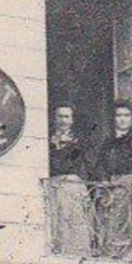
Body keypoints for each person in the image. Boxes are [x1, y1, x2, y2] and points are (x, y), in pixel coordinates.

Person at [86, 100, 132, 260]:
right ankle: (108, 253)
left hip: (129, 182)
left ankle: (126, 254)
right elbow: (99, 164)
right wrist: (103, 179)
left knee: (126, 219)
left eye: (126, 115)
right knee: (108, 219)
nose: (122, 119)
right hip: (110, 185)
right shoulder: (108, 142)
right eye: (119, 115)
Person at [47, 103, 93, 254]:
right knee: (56, 220)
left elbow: (88, 163)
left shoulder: (79, 141)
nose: (63, 120)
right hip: (53, 184)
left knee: (73, 220)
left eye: (66, 117)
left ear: (72, 120)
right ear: (54, 119)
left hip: (71, 184)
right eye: (60, 116)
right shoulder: (47, 139)